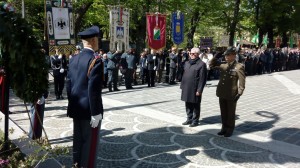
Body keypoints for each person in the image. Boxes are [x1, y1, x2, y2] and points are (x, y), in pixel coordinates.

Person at [66, 26, 103, 168]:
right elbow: (93, 90)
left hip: (76, 107)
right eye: (97, 40)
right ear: (93, 40)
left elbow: (69, 85)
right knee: (90, 143)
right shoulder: (95, 60)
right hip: (89, 110)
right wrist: (96, 112)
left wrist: (72, 105)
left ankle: (76, 164)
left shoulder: (73, 59)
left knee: (78, 140)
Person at [210, 46, 246, 137]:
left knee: (230, 113)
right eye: (225, 55)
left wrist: (239, 93)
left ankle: (230, 129)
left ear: (234, 55)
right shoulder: (223, 65)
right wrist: (216, 55)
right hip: (222, 92)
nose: (226, 56)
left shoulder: (239, 67)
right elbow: (211, 65)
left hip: (231, 93)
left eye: (228, 55)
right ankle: (224, 128)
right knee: (223, 111)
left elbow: (242, 81)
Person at [181, 47, 207, 127]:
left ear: (198, 54)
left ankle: (195, 120)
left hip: (195, 88)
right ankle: (189, 118)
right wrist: (182, 86)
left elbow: (202, 79)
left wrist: (199, 90)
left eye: (193, 53)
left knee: (195, 105)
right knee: (187, 103)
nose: (191, 55)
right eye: (190, 53)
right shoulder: (187, 63)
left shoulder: (201, 64)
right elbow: (184, 74)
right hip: (186, 87)